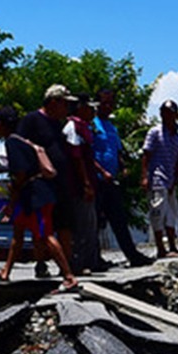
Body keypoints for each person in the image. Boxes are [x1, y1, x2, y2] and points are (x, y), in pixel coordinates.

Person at [0, 105, 77, 289]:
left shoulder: (12, 143)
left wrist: (12, 196)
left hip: (36, 195)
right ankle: (6, 271)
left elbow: (21, 174)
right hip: (30, 195)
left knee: (45, 234)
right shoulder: (24, 141)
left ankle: (69, 275)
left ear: (0, 124)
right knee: (18, 233)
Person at [19, 84, 82, 278]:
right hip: (41, 183)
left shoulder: (58, 124)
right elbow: (19, 144)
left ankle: (68, 264)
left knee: (65, 224)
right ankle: (40, 263)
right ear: (54, 102)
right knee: (42, 227)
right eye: (65, 104)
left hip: (62, 182)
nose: (67, 109)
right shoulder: (32, 120)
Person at [91, 86, 149, 267]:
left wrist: (123, 167)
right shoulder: (92, 125)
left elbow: (117, 151)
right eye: (104, 103)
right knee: (95, 222)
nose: (108, 107)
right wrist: (101, 171)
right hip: (96, 180)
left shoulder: (111, 127)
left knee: (119, 220)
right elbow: (87, 153)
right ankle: (95, 258)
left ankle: (132, 255)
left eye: (111, 103)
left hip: (112, 180)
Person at [63, 94, 103, 271]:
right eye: (89, 107)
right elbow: (76, 156)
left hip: (89, 183)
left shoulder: (85, 127)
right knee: (82, 226)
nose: (92, 111)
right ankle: (79, 264)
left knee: (91, 224)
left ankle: (91, 262)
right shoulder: (73, 126)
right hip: (78, 186)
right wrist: (85, 183)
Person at [140, 100, 178, 258]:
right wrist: (145, 176)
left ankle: (172, 245)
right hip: (157, 179)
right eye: (163, 112)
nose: (166, 116)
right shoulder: (155, 132)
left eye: (169, 113)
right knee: (158, 213)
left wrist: (176, 179)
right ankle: (160, 247)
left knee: (171, 214)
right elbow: (146, 155)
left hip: (171, 180)